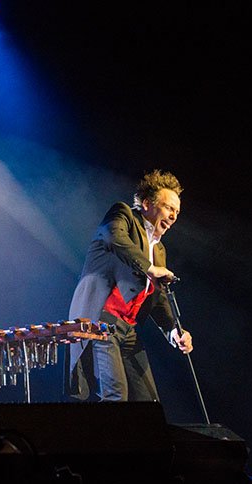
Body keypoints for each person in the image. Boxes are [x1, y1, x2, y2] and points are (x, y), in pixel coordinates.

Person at [66, 169, 193, 402]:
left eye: (177, 211)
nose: (174, 216)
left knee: (148, 403)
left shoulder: (159, 249)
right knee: (116, 397)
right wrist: (150, 268)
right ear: (146, 204)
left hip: (127, 329)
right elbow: (114, 238)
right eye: (168, 208)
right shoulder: (123, 215)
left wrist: (175, 331)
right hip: (102, 322)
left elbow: (158, 298)